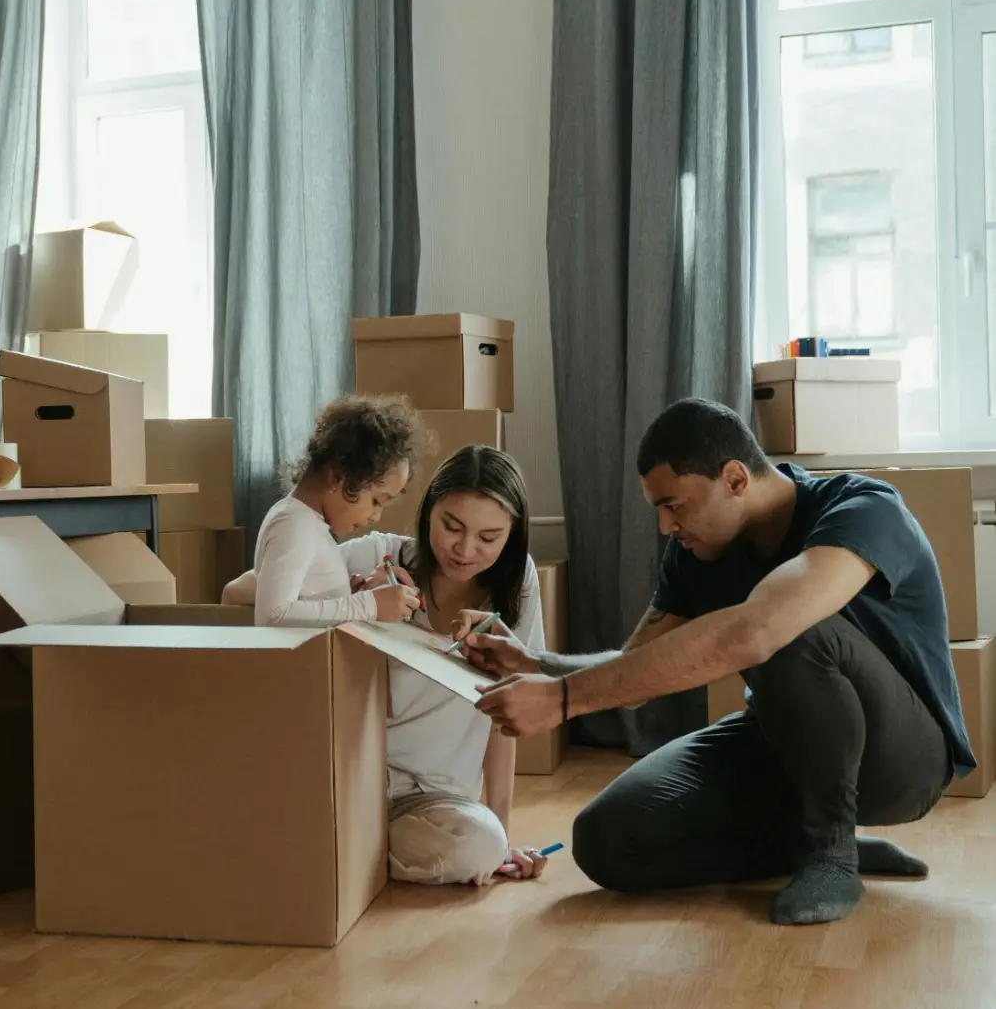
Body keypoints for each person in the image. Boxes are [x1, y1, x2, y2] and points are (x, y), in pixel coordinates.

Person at [458, 398, 973, 926]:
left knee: (788, 625)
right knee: (607, 840)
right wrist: (539, 664)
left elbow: (762, 630)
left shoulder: (864, 508)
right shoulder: (696, 551)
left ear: (734, 479)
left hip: (904, 762)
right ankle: (805, 846)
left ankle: (832, 854)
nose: (664, 526)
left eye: (674, 505)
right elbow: (637, 670)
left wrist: (564, 701)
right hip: (782, 744)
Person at [225, 444, 550, 886]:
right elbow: (238, 593)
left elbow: (505, 716)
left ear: (512, 535)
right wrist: (357, 597)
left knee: (481, 845)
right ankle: (347, 849)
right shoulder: (376, 557)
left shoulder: (518, 587)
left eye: (489, 538)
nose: (465, 549)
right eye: (451, 526)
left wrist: (502, 834)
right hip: (354, 782)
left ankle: (344, 853)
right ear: (428, 511)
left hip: (435, 801)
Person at [228, 394, 426, 626]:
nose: (376, 516)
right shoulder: (293, 524)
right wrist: (369, 605)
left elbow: (305, 603)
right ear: (338, 477)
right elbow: (273, 616)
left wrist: (346, 595)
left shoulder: (307, 523)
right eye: (376, 501)